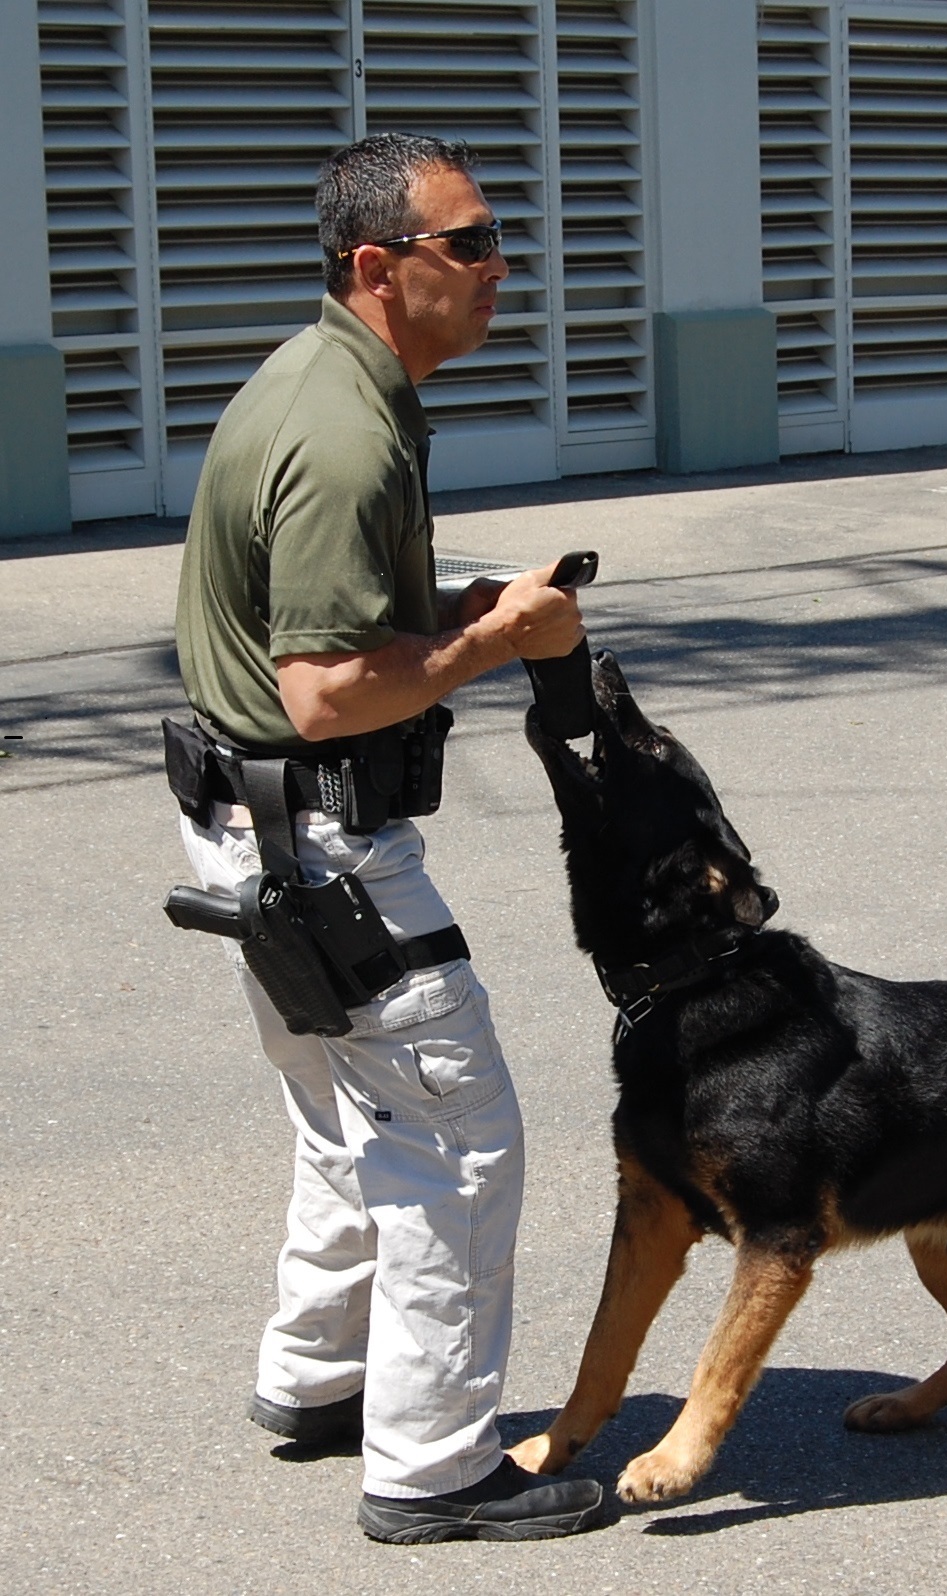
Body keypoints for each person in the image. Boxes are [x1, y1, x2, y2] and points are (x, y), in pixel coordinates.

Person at [171, 132, 611, 1543]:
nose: (499, 271)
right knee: (456, 1136)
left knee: (346, 1118)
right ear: (379, 266)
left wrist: (460, 605)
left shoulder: (337, 382)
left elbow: (343, 630)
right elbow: (324, 691)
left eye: (495, 241)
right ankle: (432, 1468)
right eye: (468, 245)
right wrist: (497, 641)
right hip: (320, 848)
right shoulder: (348, 429)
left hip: (255, 834)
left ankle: (318, 1380)